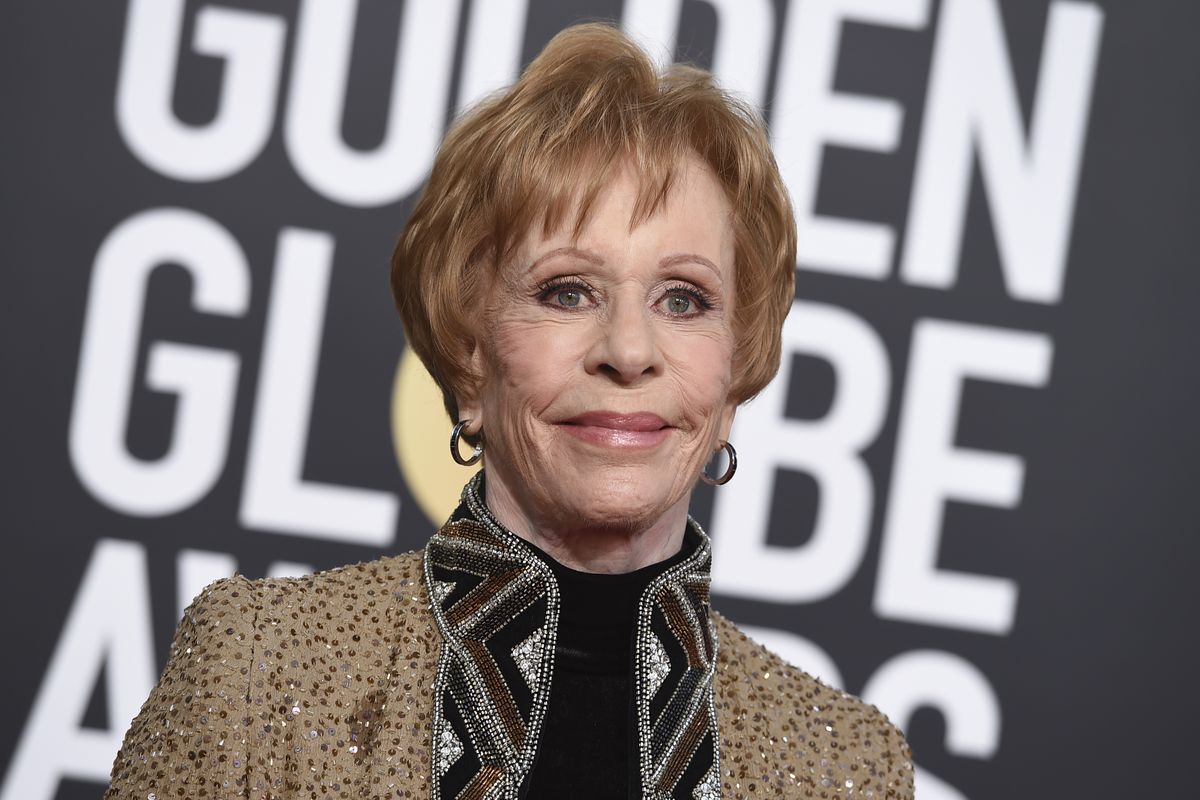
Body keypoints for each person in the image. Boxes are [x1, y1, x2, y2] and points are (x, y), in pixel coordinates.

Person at [105, 22, 913, 800]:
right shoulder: (257, 669)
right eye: (568, 291)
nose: (628, 351)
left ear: (736, 375)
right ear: (469, 355)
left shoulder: (847, 764)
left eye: (684, 298)